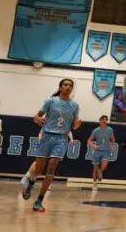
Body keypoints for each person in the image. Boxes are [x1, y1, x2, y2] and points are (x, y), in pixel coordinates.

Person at [21, 79, 82, 213]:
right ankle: (31, 183)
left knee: (53, 164)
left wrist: (77, 124)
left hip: (61, 138)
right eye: (65, 85)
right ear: (60, 87)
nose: (68, 87)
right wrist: (37, 118)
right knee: (39, 168)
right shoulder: (51, 101)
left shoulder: (74, 105)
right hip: (47, 135)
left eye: (70, 86)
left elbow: (74, 124)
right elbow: (37, 116)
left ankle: (39, 201)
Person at [87, 115, 115, 188]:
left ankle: (101, 170)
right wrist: (93, 146)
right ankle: (94, 183)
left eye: (106, 119)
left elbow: (112, 138)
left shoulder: (110, 129)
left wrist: (112, 145)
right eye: (103, 119)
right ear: (100, 121)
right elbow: (89, 140)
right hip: (98, 150)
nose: (104, 121)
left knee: (104, 165)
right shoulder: (96, 130)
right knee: (95, 168)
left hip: (106, 150)